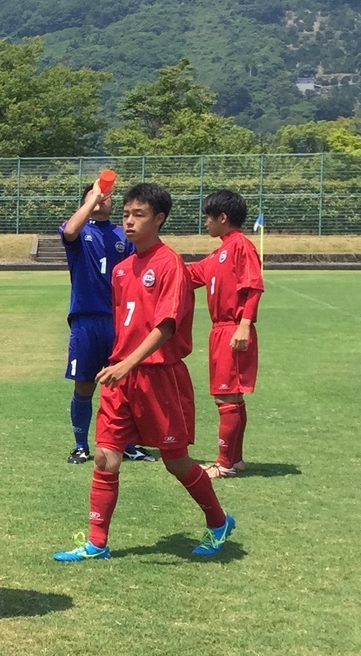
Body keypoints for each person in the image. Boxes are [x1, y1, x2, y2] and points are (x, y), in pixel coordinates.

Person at [53, 182, 236, 563]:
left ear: (159, 219)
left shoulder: (170, 264)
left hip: (158, 377)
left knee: (176, 461)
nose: (130, 221)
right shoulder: (122, 271)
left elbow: (165, 327)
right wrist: (118, 363)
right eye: (126, 214)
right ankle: (97, 543)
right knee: (105, 457)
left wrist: (125, 363)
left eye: (139, 215)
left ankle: (219, 521)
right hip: (122, 378)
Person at [58, 174, 151, 465]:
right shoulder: (77, 231)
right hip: (86, 321)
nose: (101, 200)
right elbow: (71, 229)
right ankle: (81, 445)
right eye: (96, 196)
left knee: (125, 384)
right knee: (84, 385)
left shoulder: (125, 235)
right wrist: (92, 197)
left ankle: (128, 443)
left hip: (120, 320)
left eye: (107, 196)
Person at [186, 189, 264, 479]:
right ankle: (236, 459)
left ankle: (224, 463)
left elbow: (253, 285)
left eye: (208, 217)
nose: (205, 223)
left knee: (227, 397)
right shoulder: (220, 252)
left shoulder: (241, 246)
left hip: (232, 328)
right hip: (220, 329)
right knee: (231, 398)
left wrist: (244, 324)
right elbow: (192, 274)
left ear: (223, 217)